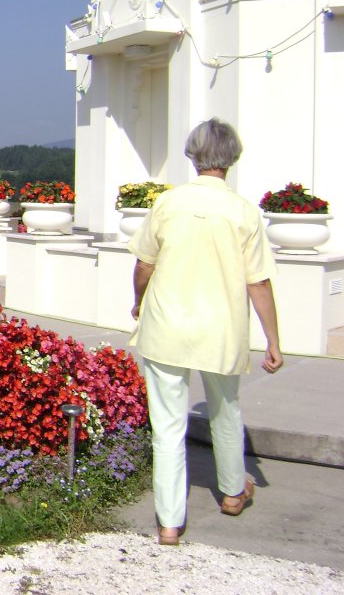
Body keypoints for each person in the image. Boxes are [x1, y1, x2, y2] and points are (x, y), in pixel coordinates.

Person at [128, 117, 283, 547]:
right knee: (226, 411)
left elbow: (144, 265)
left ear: (193, 154)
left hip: (167, 326)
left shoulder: (168, 203)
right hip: (221, 328)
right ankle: (233, 492)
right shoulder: (243, 211)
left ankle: (169, 522)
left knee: (167, 426)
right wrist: (273, 340)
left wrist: (139, 302)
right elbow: (258, 282)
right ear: (231, 158)